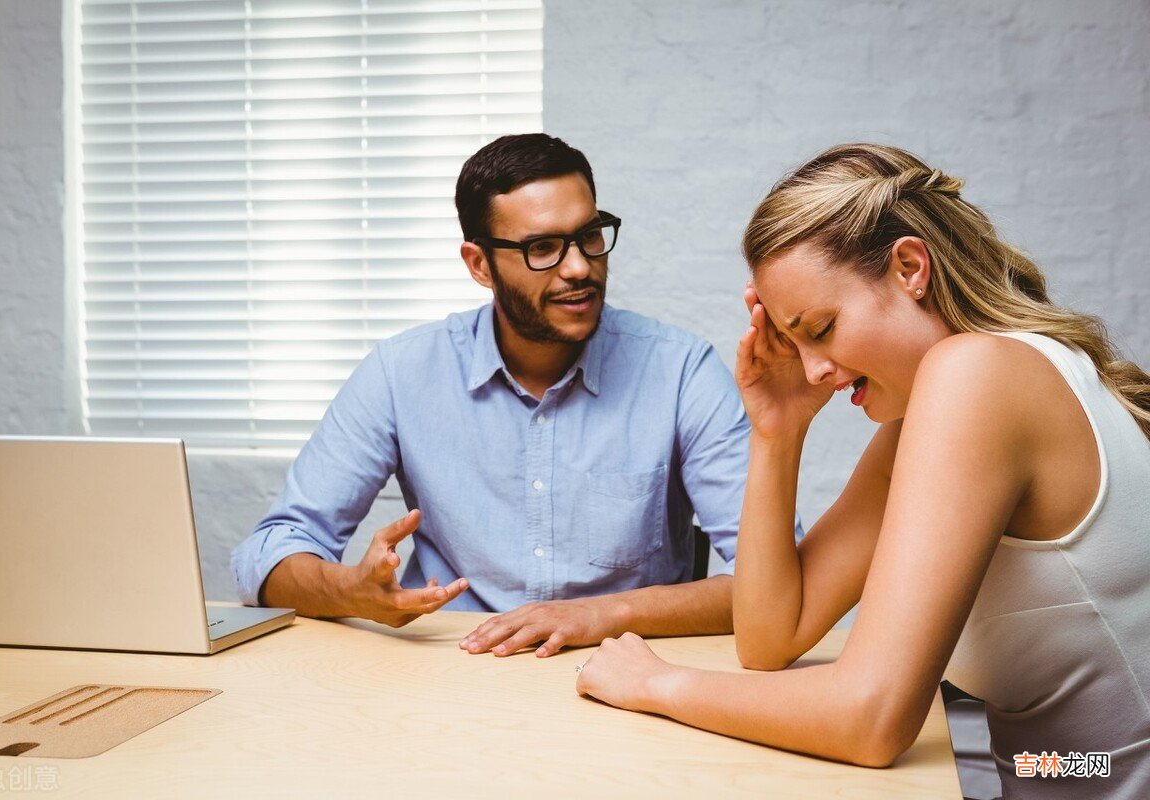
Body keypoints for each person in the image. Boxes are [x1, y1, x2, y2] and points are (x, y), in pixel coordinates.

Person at [576, 143, 1150, 799]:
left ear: (910, 267)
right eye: (794, 342)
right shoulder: (956, 402)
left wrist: (655, 683)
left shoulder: (978, 375)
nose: (814, 368)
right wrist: (778, 430)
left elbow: (870, 719)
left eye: (820, 327)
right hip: (1051, 775)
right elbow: (770, 637)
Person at [230, 133, 773, 658]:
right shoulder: (402, 373)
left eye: (589, 235)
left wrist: (603, 614)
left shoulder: (680, 372)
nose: (580, 266)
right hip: (448, 676)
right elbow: (266, 556)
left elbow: (771, 580)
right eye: (543, 248)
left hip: (621, 675)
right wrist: (353, 592)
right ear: (479, 265)